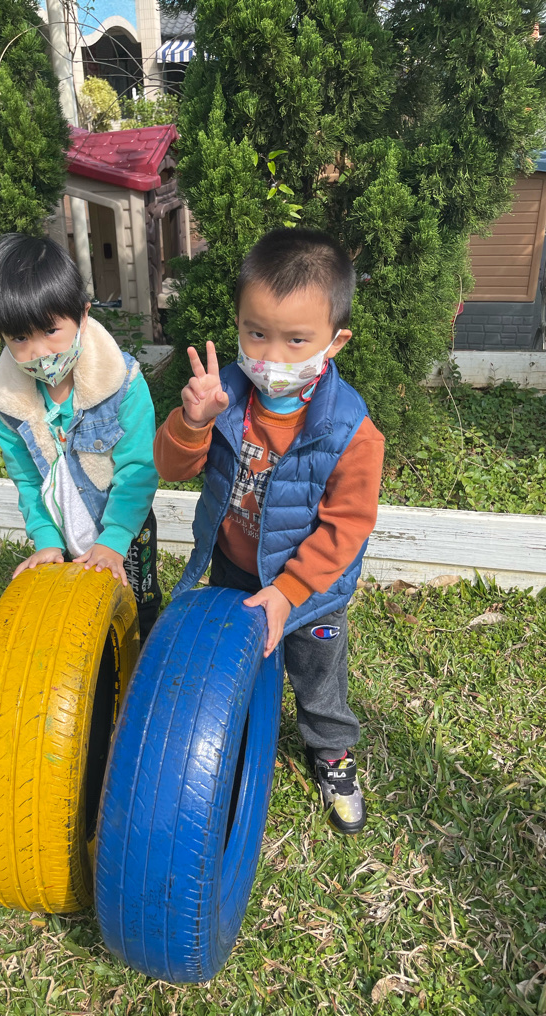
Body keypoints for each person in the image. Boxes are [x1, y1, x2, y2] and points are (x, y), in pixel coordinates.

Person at [154, 228, 384, 833]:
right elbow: (171, 467)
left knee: (318, 673)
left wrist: (289, 593)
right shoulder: (223, 397)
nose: (273, 357)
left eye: (296, 339)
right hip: (233, 566)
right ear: (237, 323)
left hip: (310, 591)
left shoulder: (350, 431)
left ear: (334, 341)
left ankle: (331, 751)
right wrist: (193, 422)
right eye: (256, 334)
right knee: (233, 662)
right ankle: (225, 737)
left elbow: (346, 528)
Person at [0, 232, 161, 640]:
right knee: (72, 619)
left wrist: (115, 539)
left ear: (82, 314)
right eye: (19, 338)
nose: (39, 352)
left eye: (50, 330)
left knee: (137, 608)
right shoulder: (7, 406)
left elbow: (139, 469)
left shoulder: (123, 384)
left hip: (125, 528)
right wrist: (46, 540)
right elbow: (28, 480)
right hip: (62, 529)